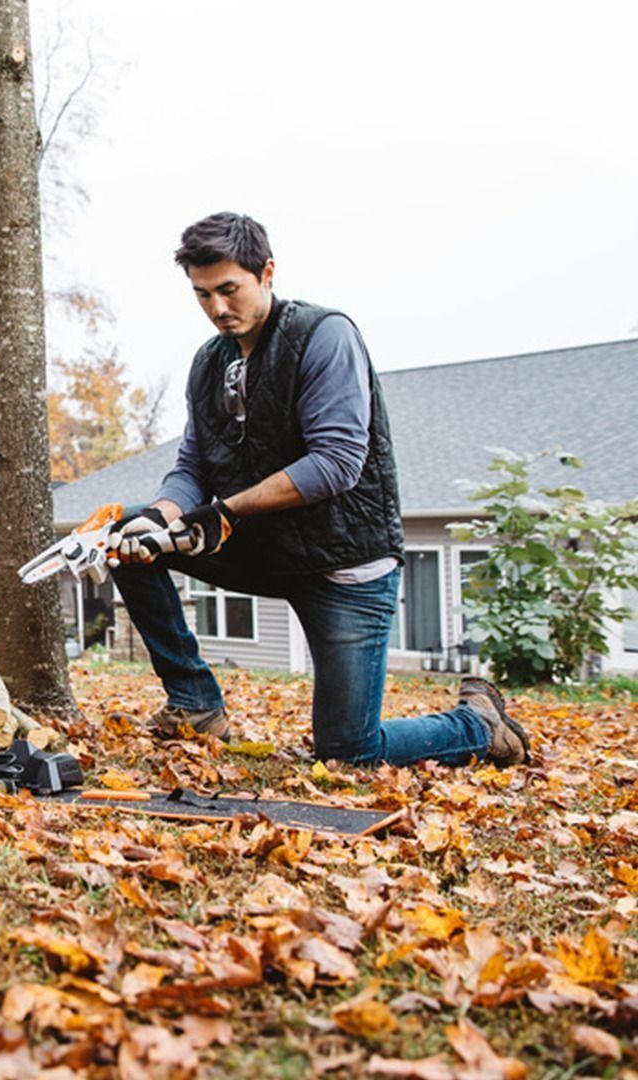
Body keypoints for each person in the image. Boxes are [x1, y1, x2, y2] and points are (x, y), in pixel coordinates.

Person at [106, 211, 529, 768]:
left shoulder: (324, 336)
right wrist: (163, 515)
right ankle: (195, 704)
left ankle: (478, 725)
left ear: (267, 273)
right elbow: (193, 466)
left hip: (344, 566)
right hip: (268, 552)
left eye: (229, 290)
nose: (217, 308)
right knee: (127, 537)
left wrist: (222, 513)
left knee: (348, 753)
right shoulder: (209, 364)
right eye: (202, 295)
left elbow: (335, 464)